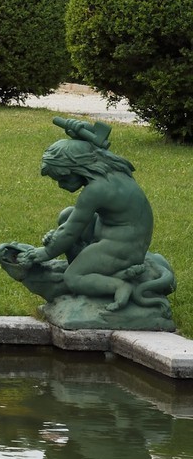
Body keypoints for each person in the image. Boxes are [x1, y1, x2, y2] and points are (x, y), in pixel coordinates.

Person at [19, 118, 156, 313]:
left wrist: (46, 252)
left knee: (73, 278)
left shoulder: (96, 190)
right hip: (111, 232)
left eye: (64, 178)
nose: (61, 185)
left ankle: (119, 285)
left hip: (124, 246)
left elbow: (70, 231)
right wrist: (77, 136)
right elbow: (95, 149)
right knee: (66, 215)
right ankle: (88, 267)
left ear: (77, 168)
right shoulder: (110, 167)